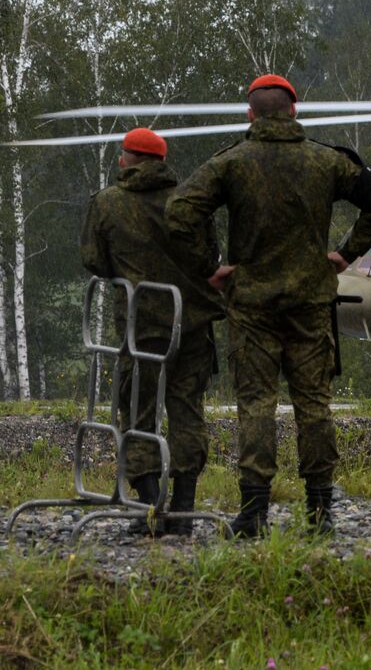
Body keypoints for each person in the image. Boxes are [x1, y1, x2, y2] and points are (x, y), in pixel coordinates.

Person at [166, 75, 371, 537]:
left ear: (250, 115)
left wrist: (209, 267)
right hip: (311, 303)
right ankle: (320, 512)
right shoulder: (327, 162)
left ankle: (253, 513)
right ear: (294, 112)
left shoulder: (231, 163)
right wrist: (346, 254)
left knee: (255, 404)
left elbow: (180, 213)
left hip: (252, 304)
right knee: (314, 404)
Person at [80, 128, 224, 537]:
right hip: (192, 325)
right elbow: (209, 257)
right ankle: (183, 510)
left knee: (138, 413)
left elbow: (94, 260)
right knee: (187, 412)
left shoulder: (107, 203)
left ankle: (147, 507)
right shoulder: (190, 202)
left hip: (141, 327)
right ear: (161, 161)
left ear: (127, 159)